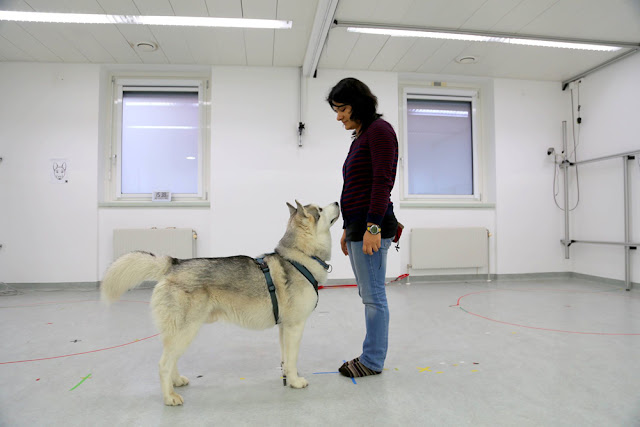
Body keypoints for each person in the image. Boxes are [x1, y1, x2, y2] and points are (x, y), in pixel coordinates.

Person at [326, 77, 399, 378]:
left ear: (357, 104)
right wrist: (348, 227)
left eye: (341, 108)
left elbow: (383, 181)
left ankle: (371, 361)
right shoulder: (362, 135)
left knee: (374, 297)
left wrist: (372, 227)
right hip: (359, 225)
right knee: (369, 295)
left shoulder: (380, 131)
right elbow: (356, 186)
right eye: (336, 110)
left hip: (373, 226)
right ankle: (371, 356)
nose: (338, 116)